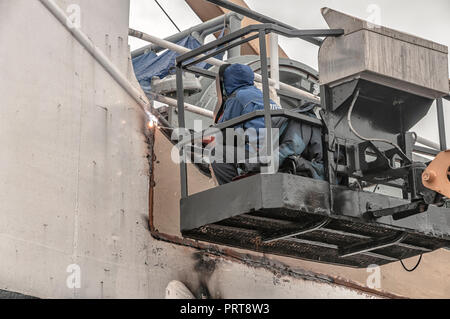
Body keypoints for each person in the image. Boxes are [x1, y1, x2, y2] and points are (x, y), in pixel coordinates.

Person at [210, 63, 324, 185]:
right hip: (274, 150)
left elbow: (223, 132)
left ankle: (235, 191)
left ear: (226, 82)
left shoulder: (237, 97)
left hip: (258, 152)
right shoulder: (263, 96)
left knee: (217, 153)